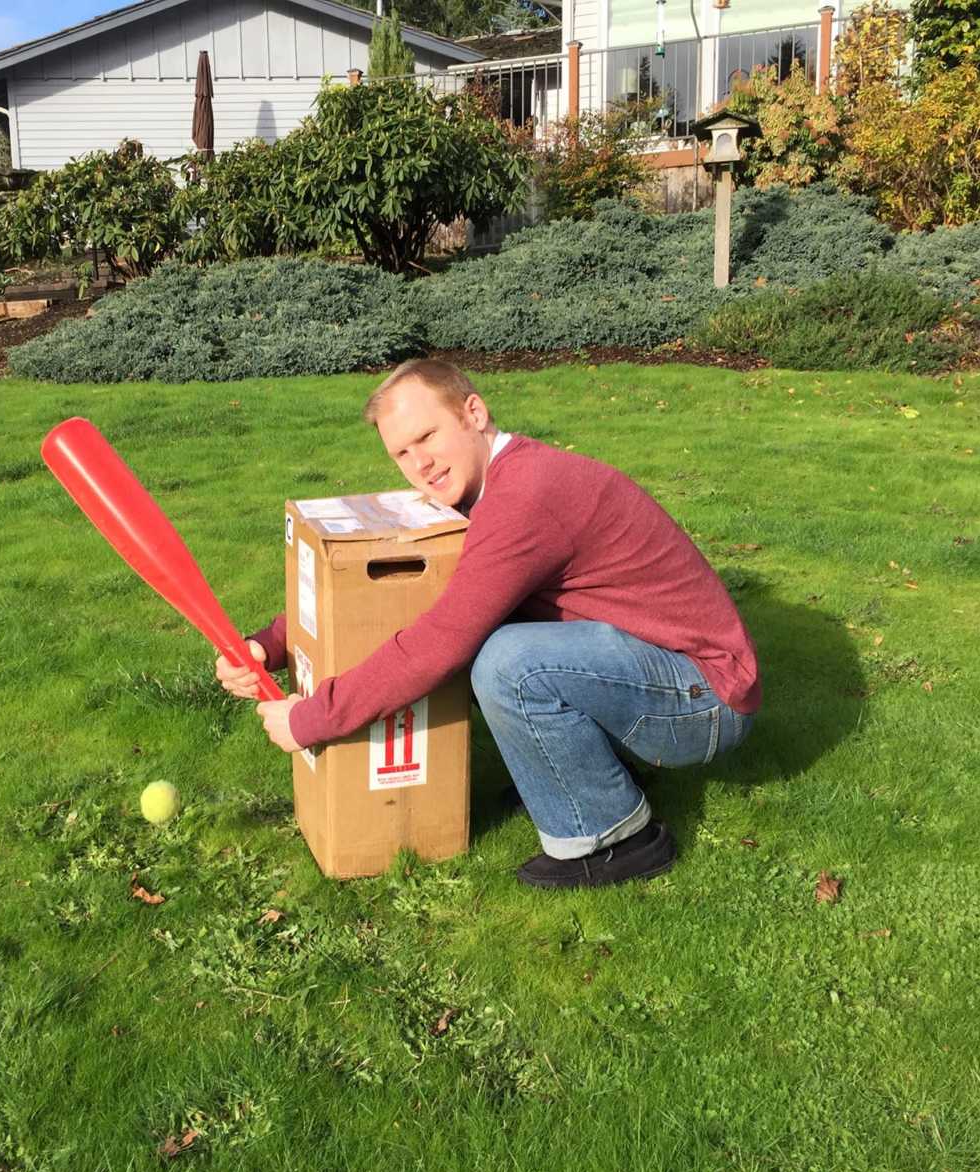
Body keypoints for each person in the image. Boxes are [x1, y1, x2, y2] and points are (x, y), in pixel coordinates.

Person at [216, 359, 761, 890]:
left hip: (706, 697)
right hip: (642, 668)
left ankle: (613, 838)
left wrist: (314, 718)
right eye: (402, 453)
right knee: (492, 644)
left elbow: (437, 644)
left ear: (474, 413)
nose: (420, 464)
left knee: (507, 663)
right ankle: (582, 780)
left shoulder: (522, 497)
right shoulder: (476, 494)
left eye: (427, 436)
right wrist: (270, 646)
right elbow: (381, 596)